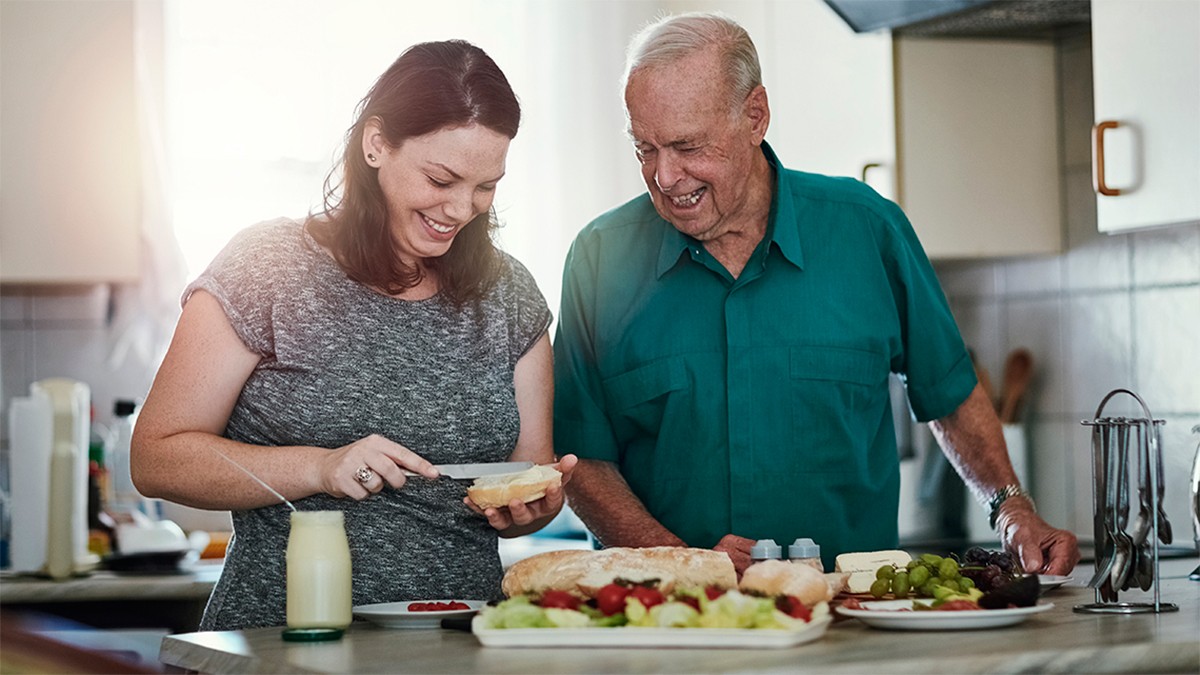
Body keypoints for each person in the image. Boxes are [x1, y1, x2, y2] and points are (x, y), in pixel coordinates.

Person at [553, 12, 1078, 576]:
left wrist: (1009, 508)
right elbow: (581, 461)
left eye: (687, 146)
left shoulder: (867, 229)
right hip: (664, 622)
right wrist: (683, 563)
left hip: (854, 616)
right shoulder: (600, 258)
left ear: (755, 116)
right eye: (645, 149)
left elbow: (947, 390)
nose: (665, 176)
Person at [131, 40, 576, 631]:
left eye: (485, 186)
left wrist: (531, 509)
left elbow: (524, 475)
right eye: (441, 178)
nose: (461, 208)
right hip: (284, 640)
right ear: (375, 145)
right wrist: (321, 467)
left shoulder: (508, 292)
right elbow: (156, 457)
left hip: (461, 646)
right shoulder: (267, 266)